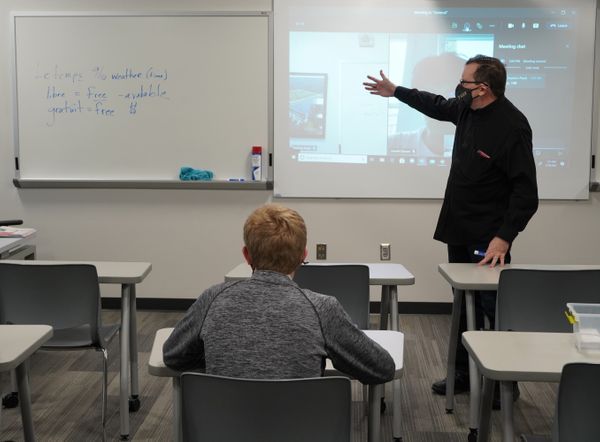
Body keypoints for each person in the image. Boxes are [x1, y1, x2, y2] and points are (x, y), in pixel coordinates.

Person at [364, 55, 538, 401]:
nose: (460, 87)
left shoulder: (512, 126)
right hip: (459, 226)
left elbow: (526, 192)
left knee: (493, 308)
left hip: (489, 237)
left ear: (483, 89)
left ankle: (504, 386)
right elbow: (435, 104)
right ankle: (461, 373)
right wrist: (396, 91)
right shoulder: (465, 108)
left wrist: (504, 237)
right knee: (461, 301)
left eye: (465, 82)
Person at [163, 203, 395, 385]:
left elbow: (173, 355)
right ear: (303, 255)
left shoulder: (212, 299)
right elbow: (382, 368)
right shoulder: (322, 309)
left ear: (247, 255)